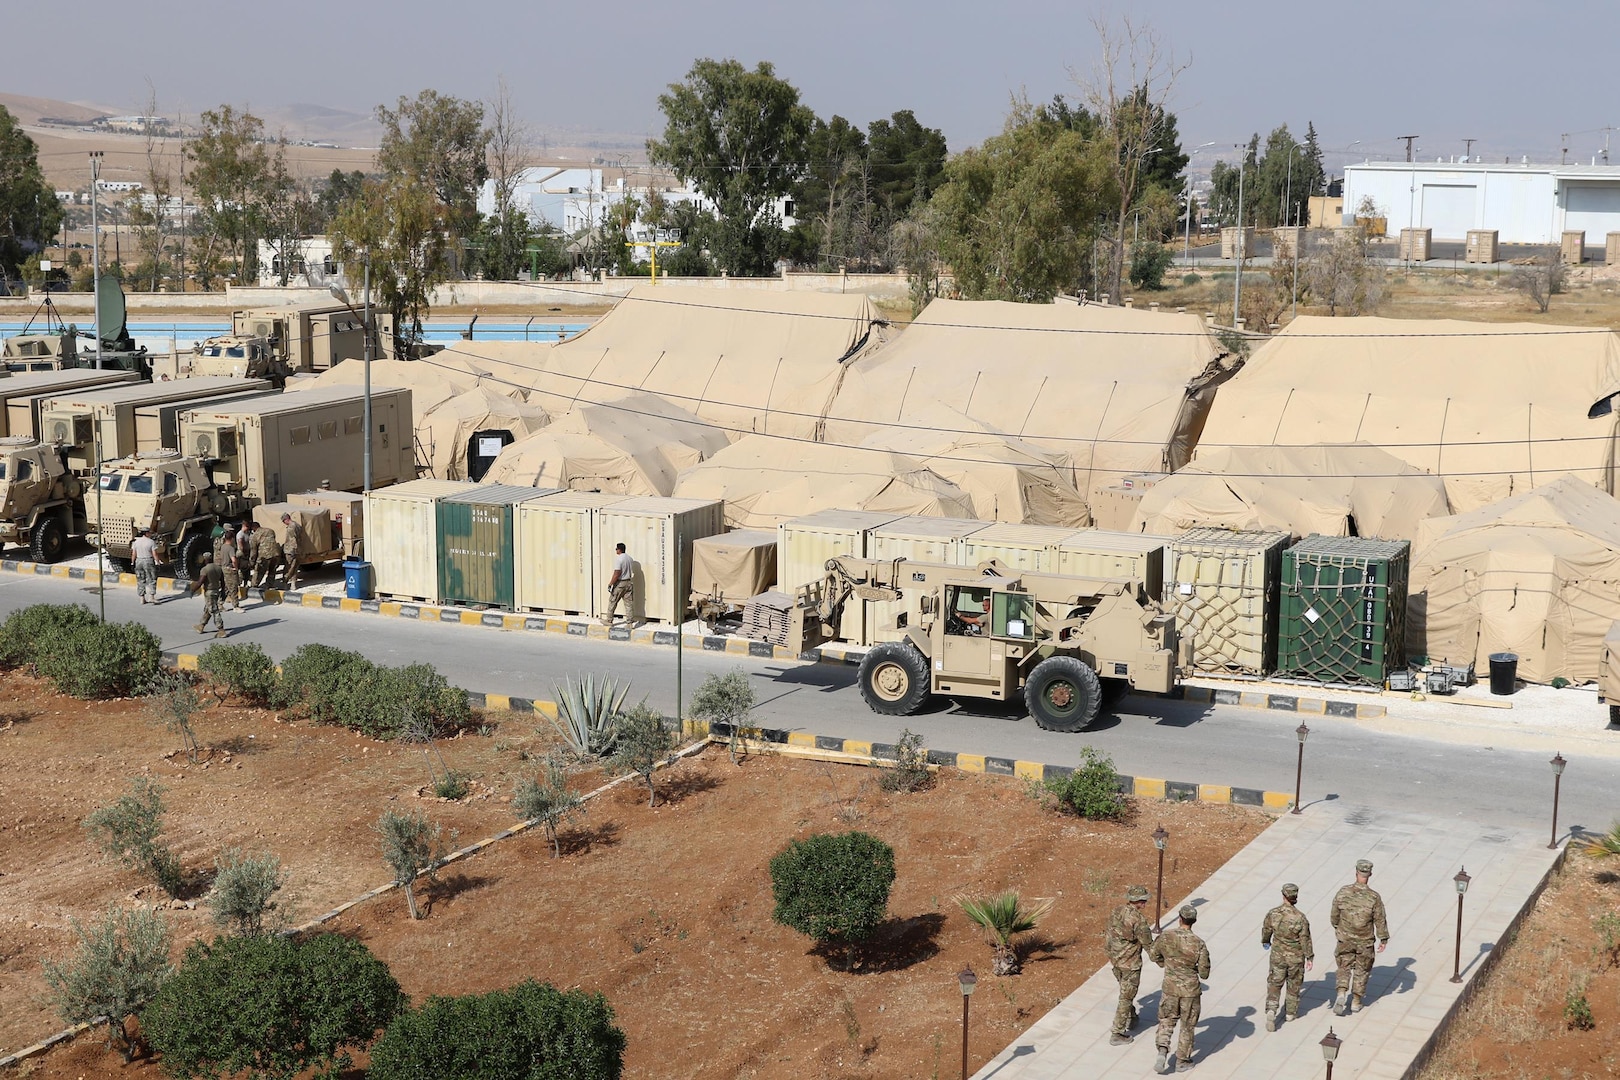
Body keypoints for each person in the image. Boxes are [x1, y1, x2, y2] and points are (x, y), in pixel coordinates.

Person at [1149, 904, 1210, 1074]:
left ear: (1180, 919)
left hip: (1170, 988)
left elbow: (1154, 954)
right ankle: (1182, 1060)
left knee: (1167, 1020)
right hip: (1190, 991)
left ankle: (1162, 1049)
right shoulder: (1199, 943)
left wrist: (1167, 964)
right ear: (1193, 921)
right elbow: (1205, 973)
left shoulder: (1166, 936)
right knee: (1188, 1025)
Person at [1331, 858, 1390, 1016]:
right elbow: (1380, 919)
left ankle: (1342, 992)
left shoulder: (1343, 892)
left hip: (1345, 938)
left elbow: (1334, 914)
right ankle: (1356, 1001)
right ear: (1369, 874)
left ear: (1356, 872)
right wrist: (1383, 938)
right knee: (1362, 970)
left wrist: (1338, 927)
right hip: (1365, 941)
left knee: (1344, 966)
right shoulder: (1373, 897)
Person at [1104, 884, 1155, 1045]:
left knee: (1126, 992)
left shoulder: (1117, 911)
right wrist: (1161, 959)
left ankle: (1132, 1017)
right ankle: (1117, 1032)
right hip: (1130, 964)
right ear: (1138, 901)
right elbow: (1148, 944)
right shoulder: (1139, 920)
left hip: (1116, 960)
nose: (1145, 904)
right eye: (1144, 901)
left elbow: (1109, 933)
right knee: (1126, 997)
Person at [1261, 882, 1315, 1031]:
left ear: (1283, 895)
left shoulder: (1273, 913)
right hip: (1295, 958)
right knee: (1294, 985)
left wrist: (1265, 941)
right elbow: (1305, 939)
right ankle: (1290, 1013)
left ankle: (1271, 1009)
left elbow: (1266, 930)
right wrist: (1309, 957)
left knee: (1275, 983)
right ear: (1295, 897)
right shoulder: (1300, 918)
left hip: (1278, 955)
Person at [188, 552, 227, 638]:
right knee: (208, 609)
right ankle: (201, 626)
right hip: (216, 591)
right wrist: (223, 591)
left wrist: (193, 590)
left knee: (214, 610)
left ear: (205, 559)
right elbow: (223, 581)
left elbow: (200, 582)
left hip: (209, 592)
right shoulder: (218, 568)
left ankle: (221, 630)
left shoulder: (205, 569)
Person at [602, 542, 633, 626]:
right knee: (628, 604)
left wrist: (611, 583)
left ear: (619, 550)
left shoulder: (619, 559)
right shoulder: (630, 558)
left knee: (613, 601)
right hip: (629, 582)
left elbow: (617, 573)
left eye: (616, 549)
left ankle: (609, 620)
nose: (616, 550)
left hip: (620, 583)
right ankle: (629, 623)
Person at [214, 529, 242, 611]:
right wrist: (236, 568)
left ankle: (220, 604)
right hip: (230, 569)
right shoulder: (230, 548)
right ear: (232, 538)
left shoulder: (223, 546)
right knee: (233, 587)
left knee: (226, 587)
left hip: (224, 568)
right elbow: (233, 559)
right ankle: (236, 606)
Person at [131, 528, 159, 605]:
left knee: (140, 579)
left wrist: (132, 563)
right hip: (148, 560)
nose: (150, 534)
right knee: (152, 578)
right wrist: (158, 562)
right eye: (149, 533)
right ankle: (151, 596)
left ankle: (142, 598)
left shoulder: (136, 542)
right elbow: (154, 554)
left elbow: (133, 554)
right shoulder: (151, 542)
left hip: (139, 560)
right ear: (146, 533)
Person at [253, 524, 283, 590]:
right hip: (276, 553)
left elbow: (254, 549)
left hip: (264, 555)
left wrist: (252, 560)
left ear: (254, 528)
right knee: (272, 569)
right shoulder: (270, 530)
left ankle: (254, 585)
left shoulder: (255, 535)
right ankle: (269, 584)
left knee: (259, 570)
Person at [280, 513, 305, 591]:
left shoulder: (291, 527)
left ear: (286, 519)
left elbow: (292, 539)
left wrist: (292, 550)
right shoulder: (297, 525)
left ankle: (285, 583)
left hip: (291, 550)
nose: (284, 523)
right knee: (295, 567)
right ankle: (293, 584)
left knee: (288, 567)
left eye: (284, 521)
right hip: (299, 550)